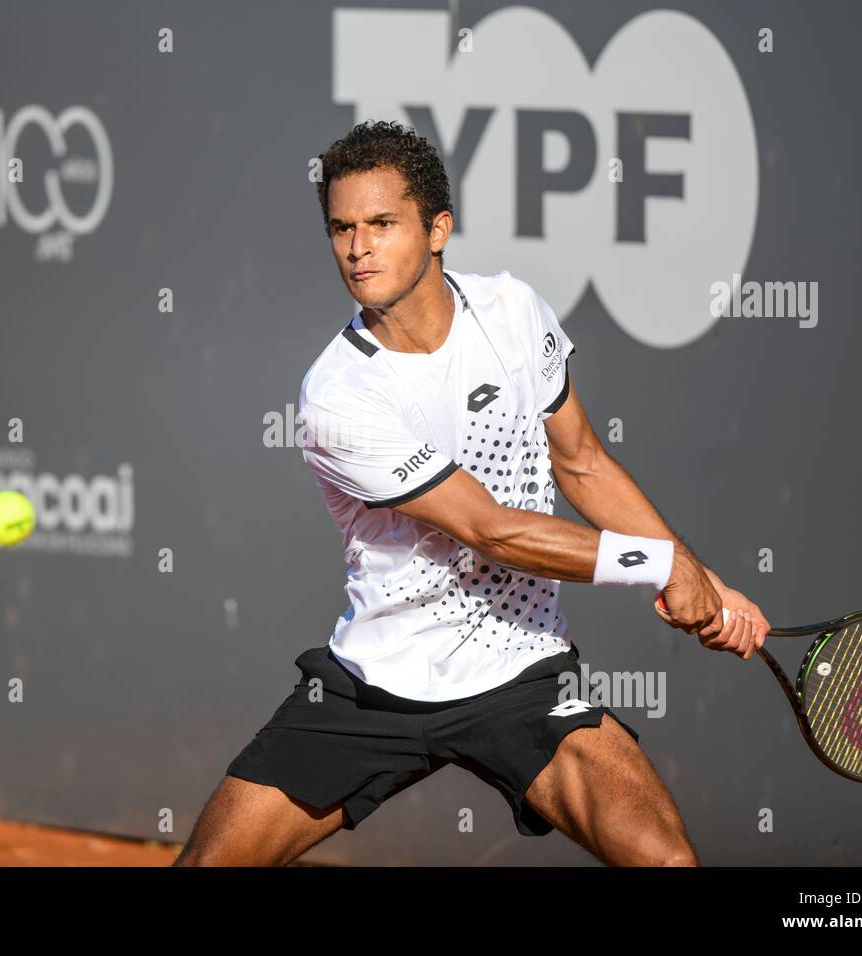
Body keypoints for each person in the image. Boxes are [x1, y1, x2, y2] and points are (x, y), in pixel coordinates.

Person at [173, 120, 769, 867]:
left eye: (382, 224)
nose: (358, 248)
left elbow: (581, 463)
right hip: (375, 685)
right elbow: (491, 530)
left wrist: (700, 576)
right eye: (342, 229)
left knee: (666, 862)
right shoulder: (337, 398)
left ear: (438, 229)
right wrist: (660, 567)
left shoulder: (513, 313)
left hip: (519, 673)